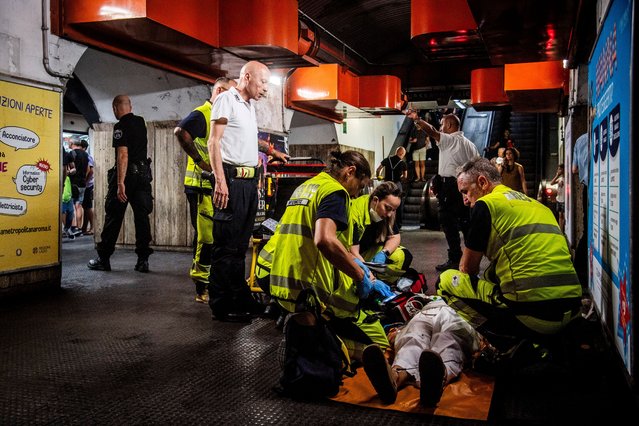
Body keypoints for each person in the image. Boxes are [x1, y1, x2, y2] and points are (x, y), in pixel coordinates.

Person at [437, 158, 582, 351]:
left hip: (534, 319)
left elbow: (467, 269)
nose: (465, 200)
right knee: (492, 273)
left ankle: (504, 343)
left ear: (482, 182)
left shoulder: (486, 205)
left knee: (446, 281)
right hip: (571, 311)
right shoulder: (538, 206)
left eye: (465, 192)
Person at [269, 151, 393, 361]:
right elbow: (325, 240)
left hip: (283, 280)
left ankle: (302, 339)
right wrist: (360, 276)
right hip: (309, 287)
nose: (356, 194)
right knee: (375, 347)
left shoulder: (306, 186)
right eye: (360, 186)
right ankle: (320, 345)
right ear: (350, 172)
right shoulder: (336, 192)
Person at [206, 61, 289, 322]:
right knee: (226, 247)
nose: (266, 89)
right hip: (230, 182)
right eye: (263, 82)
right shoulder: (226, 100)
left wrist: (271, 151)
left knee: (240, 246)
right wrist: (220, 180)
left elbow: (245, 139)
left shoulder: (248, 106)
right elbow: (214, 141)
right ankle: (221, 305)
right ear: (247, 76)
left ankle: (238, 296)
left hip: (248, 184)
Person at [174, 77, 236, 303]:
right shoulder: (202, 113)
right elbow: (180, 132)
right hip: (201, 186)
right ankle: (202, 288)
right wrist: (200, 162)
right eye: (229, 94)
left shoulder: (219, 116)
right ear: (219, 90)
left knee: (214, 237)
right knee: (206, 237)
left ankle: (211, 282)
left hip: (213, 186)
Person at [361, 295, 480, 406]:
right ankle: (394, 378)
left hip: (459, 313)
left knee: (449, 338)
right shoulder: (425, 298)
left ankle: (435, 381)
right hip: (426, 312)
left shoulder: (472, 297)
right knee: (413, 336)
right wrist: (399, 330)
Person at [405, 110, 480, 271]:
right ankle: (470, 260)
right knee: (466, 223)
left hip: (451, 187)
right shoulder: (470, 144)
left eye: (443, 124)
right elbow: (478, 167)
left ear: (450, 125)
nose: (440, 127)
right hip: (465, 188)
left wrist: (417, 119)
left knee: (447, 221)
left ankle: (455, 258)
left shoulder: (450, 140)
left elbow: (431, 131)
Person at [88, 95, 154, 273]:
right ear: (130, 106)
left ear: (115, 108)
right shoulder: (141, 122)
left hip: (128, 177)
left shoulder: (120, 126)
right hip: (143, 176)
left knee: (114, 216)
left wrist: (120, 183)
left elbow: (123, 155)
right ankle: (143, 260)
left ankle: (104, 259)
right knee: (142, 218)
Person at [349, 181, 412, 284]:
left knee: (402, 255)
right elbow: (353, 252)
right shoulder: (355, 213)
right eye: (387, 208)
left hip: (367, 254)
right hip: (350, 256)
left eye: (393, 210)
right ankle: (370, 283)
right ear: (375, 200)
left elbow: (395, 237)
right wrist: (370, 277)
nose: (389, 214)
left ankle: (382, 283)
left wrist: (384, 253)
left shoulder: (386, 214)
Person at [572, 133, 589, 288]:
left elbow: (574, 169)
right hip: (604, 183)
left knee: (587, 229)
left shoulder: (579, 140)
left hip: (587, 188)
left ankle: (580, 273)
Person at [375, 146, 407, 228]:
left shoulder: (387, 160)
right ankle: (398, 225)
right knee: (398, 205)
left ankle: (383, 223)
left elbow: (378, 170)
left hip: (387, 184)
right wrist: (401, 177)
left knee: (384, 202)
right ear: (402, 154)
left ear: (396, 152)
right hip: (397, 185)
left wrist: (378, 177)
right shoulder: (402, 163)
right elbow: (405, 176)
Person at [69, 137, 90, 236]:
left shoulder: (72, 153)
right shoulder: (86, 154)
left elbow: (71, 168)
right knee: (79, 205)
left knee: (73, 205)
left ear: (73, 143)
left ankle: (74, 228)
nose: (69, 144)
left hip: (73, 183)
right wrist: (84, 179)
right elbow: (88, 169)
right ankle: (79, 227)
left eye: (70, 142)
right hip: (82, 183)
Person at [80, 138, 95, 236]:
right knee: (85, 206)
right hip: (87, 184)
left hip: (88, 185)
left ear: (84, 148)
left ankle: (93, 228)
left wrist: (85, 181)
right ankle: (84, 228)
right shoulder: (84, 156)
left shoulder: (87, 157)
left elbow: (91, 171)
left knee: (88, 207)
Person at [550, 163, 565, 232]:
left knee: (564, 215)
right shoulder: (560, 178)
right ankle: (560, 230)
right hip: (559, 199)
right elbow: (551, 183)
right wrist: (557, 175)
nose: (558, 170)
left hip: (564, 199)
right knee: (560, 215)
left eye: (559, 169)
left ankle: (564, 230)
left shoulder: (566, 178)